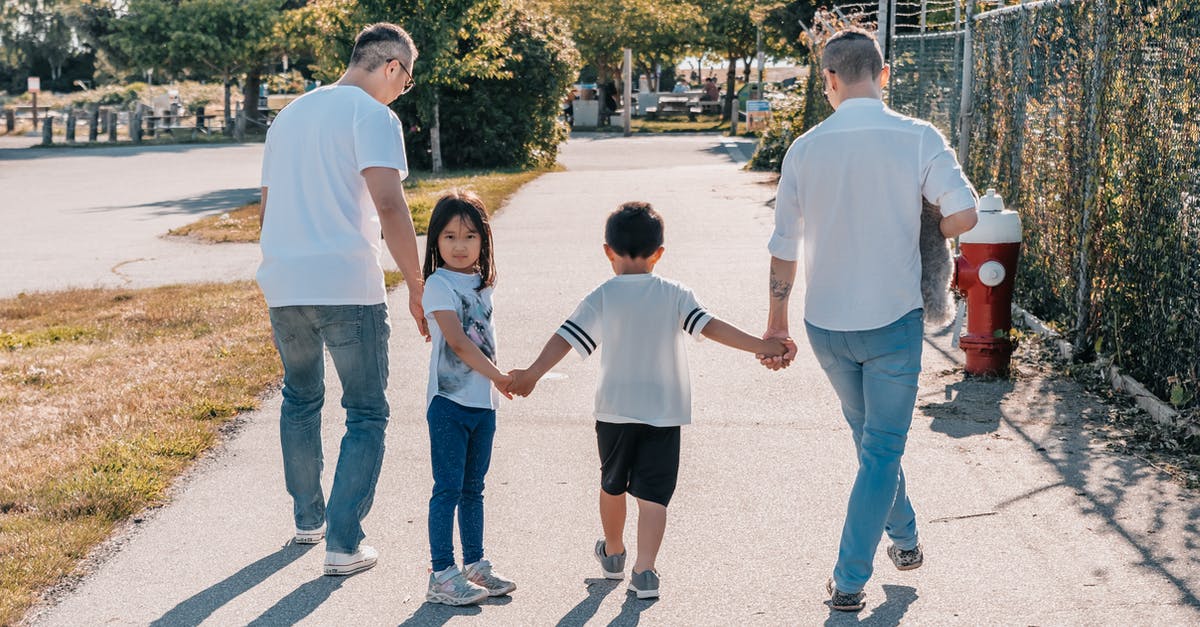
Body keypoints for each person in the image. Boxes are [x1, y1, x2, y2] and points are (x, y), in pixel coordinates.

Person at [762, 28, 979, 611]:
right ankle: (851, 579)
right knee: (880, 449)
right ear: (884, 76)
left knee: (871, 443)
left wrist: (776, 323)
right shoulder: (918, 138)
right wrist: (929, 225)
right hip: (893, 322)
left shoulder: (804, 149)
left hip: (825, 325)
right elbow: (964, 213)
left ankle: (904, 539)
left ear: (828, 79)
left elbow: (784, 246)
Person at [509, 202, 794, 599]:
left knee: (613, 484)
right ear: (659, 253)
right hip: (664, 411)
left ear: (608, 250)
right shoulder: (674, 293)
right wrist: (764, 346)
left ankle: (613, 553)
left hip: (615, 410)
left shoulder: (604, 295)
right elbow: (711, 327)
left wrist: (532, 374)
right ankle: (645, 571)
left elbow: (566, 336)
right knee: (654, 495)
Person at [257, 22, 425, 577]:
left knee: (300, 400)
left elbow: (267, 204)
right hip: (347, 286)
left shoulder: (290, 115)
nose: (403, 90)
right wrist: (418, 284)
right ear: (392, 67)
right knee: (366, 412)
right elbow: (390, 205)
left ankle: (309, 519)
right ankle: (343, 545)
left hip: (284, 283)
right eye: (406, 79)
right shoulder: (373, 116)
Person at [420, 191, 517, 605]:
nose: (460, 246)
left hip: (483, 405)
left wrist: (493, 385)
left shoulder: (483, 283)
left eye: (470, 236)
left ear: (484, 241)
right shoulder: (437, 284)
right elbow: (458, 343)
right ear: (436, 242)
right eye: (449, 236)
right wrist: (500, 377)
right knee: (447, 488)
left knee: (473, 488)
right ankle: (442, 574)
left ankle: (475, 564)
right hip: (448, 404)